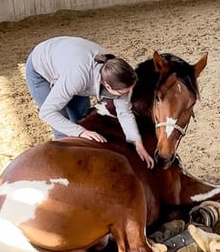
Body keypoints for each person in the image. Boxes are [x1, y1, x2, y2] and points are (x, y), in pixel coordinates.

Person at [25, 36, 155, 169]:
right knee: (63, 130)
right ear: (108, 87)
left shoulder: (119, 75)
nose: (128, 94)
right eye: (124, 92)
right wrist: (80, 132)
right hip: (41, 66)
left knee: (83, 121)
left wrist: (137, 142)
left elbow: (125, 112)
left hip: (72, 65)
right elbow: (47, 112)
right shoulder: (78, 77)